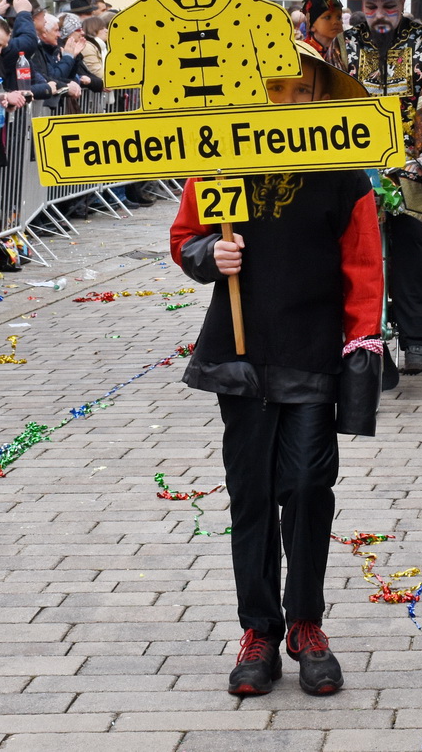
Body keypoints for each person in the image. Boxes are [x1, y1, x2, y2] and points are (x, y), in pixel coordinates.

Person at [169, 45, 382, 698]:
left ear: (319, 95)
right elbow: (185, 237)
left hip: (313, 350)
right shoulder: (221, 156)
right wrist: (211, 253)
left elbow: (363, 262)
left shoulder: (344, 169)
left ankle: (306, 623)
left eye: (300, 88)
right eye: (274, 87)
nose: (286, 99)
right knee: (253, 492)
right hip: (240, 351)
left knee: (310, 483)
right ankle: (259, 630)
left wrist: (362, 340)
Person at [336, 0, 422, 376]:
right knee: (336, 236)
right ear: (361, 7)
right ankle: (350, 334)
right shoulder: (344, 46)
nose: (380, 14)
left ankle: (417, 339)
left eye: (388, 6)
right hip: (354, 164)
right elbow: (331, 102)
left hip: (412, 164)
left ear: (402, 4)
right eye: (371, 7)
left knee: (412, 235)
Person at [300, 0, 345, 66]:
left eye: (339, 17)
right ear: (312, 25)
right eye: (327, 17)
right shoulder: (302, 51)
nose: (336, 22)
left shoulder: (348, 50)